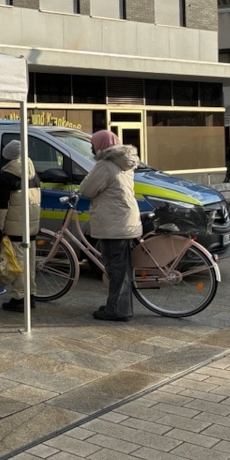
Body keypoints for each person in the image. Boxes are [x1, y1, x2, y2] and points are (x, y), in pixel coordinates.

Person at [79, 130, 142, 322]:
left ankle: (117, 310)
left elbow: (87, 189)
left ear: (101, 145)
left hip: (114, 222)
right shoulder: (124, 162)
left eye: (93, 144)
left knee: (116, 269)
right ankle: (118, 306)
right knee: (120, 268)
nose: (92, 148)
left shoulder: (105, 164)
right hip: (124, 219)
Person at [0, 141, 41, 312]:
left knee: (18, 263)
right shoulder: (34, 173)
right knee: (30, 262)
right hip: (31, 227)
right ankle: (31, 295)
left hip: (14, 228)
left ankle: (19, 298)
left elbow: (2, 206)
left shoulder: (7, 176)